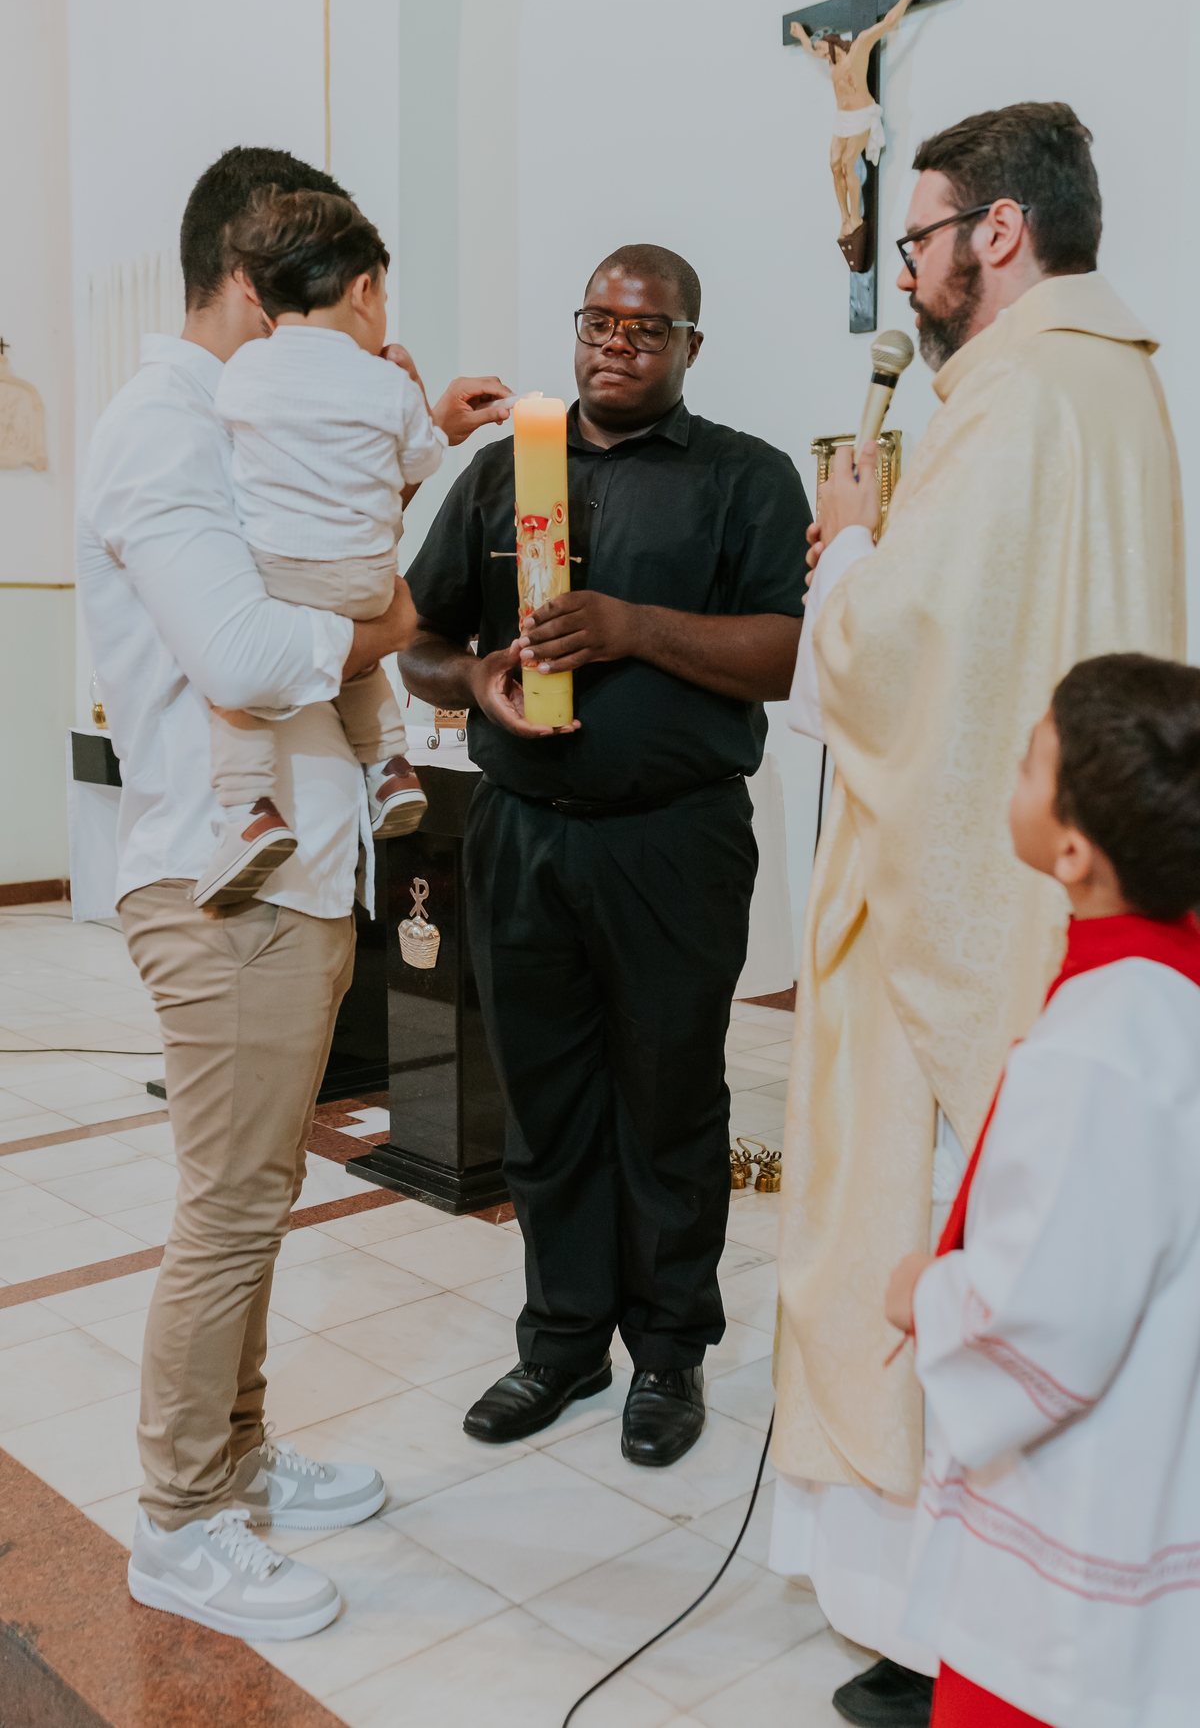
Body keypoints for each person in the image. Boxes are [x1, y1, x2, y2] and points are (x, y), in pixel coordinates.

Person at [770, 103, 1184, 1726]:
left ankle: (932, 1616)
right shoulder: (1113, 379)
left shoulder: (1018, 398)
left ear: (998, 232)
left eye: (923, 236)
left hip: (981, 907)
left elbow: (902, 657)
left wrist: (849, 547)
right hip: (1082, 898)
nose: (909, 271)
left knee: (943, 1223)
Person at [75, 143, 511, 1641]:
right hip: (223, 890)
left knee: (259, 1194)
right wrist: (391, 618)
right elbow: (252, 657)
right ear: (258, 290)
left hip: (296, 876)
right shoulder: (162, 431)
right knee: (230, 1206)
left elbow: (326, 571)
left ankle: (241, 1456)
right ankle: (179, 1517)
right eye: (322, 301)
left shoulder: (247, 419)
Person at [400, 244, 810, 1465]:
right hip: (522, 833)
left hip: (673, 839)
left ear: (691, 345)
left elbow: (786, 655)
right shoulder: (502, 473)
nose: (616, 344)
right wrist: (472, 675)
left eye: (646, 328)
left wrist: (631, 626)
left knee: (669, 1098)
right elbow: (417, 639)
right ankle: (565, 1340)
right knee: (547, 1099)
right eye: (599, 322)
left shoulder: (743, 476)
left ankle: (671, 1352)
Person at [887, 652, 1200, 1728]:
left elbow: (1050, 1317)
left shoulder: (1103, 1047)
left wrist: (925, 1293)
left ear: (1073, 849)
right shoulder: (1162, 990)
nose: (1011, 775)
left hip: (1082, 1541)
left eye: (1030, 761)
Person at [195, 186, 443, 910]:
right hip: (367, 578)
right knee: (355, 659)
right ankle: (391, 767)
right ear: (363, 290)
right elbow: (422, 460)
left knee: (233, 687)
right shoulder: (386, 382)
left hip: (277, 572)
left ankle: (249, 810)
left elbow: (226, 443)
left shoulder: (245, 370)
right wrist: (413, 399)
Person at [789, 0, 926, 266]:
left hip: (861, 115)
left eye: (823, 49)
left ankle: (856, 218)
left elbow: (888, 22)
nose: (820, 54)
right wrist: (801, 35)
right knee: (834, 165)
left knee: (848, 163)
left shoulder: (859, 48)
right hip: (842, 118)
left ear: (833, 45)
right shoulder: (832, 61)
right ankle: (844, 218)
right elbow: (811, 49)